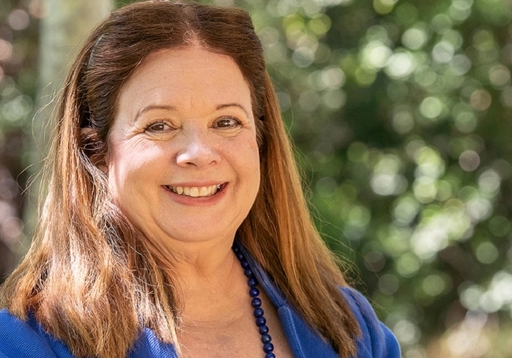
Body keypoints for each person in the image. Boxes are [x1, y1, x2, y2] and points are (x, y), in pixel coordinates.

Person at [0, 1, 400, 357]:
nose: (198, 153)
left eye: (226, 122)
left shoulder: (351, 330)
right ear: (96, 151)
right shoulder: (24, 343)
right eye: (159, 125)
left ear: (260, 140)